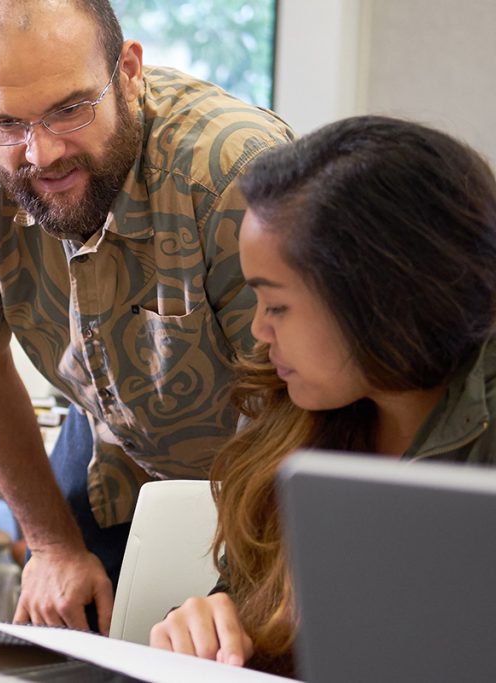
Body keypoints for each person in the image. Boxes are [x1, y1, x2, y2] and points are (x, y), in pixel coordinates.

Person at [0, 0, 293, 633]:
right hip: (106, 441)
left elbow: (296, 402)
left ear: (129, 71)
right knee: (66, 642)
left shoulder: (233, 173)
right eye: (5, 121)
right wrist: (51, 545)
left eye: (70, 109)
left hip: (259, 451)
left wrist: (244, 583)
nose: (41, 153)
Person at [147, 115, 496, 677]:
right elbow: (256, 616)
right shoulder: (300, 413)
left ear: (381, 296)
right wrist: (210, 624)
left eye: (276, 304)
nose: (259, 331)